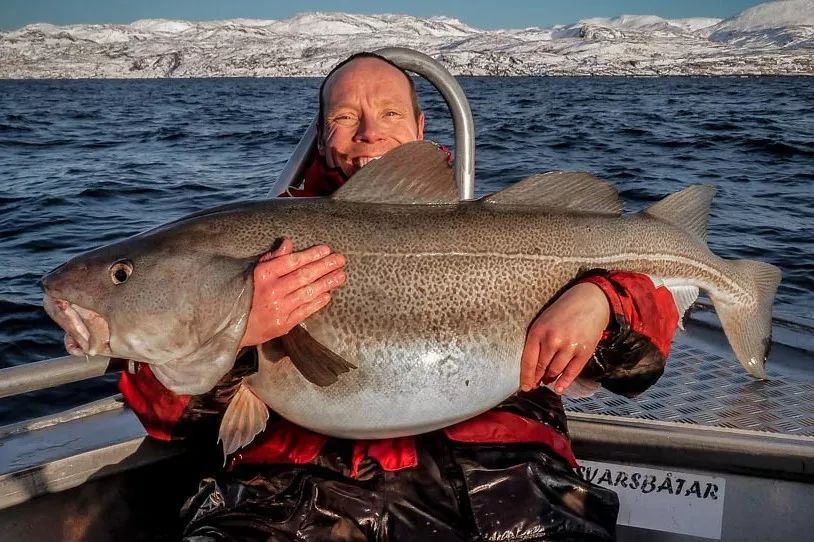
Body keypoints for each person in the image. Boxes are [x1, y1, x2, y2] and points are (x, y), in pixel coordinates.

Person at [120, 53, 680, 541]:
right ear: (322, 138)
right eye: (344, 117)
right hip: (296, 501)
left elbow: (642, 346)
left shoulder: (506, 233)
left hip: (505, 487)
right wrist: (238, 336)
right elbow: (165, 418)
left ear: (419, 125)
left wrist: (603, 298)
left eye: (388, 113)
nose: (368, 132)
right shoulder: (252, 245)